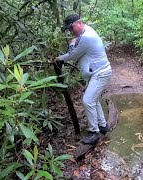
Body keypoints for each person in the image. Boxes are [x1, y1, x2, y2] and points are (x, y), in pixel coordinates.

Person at [55, 14, 112, 144]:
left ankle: (94, 132)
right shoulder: (85, 33)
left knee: (87, 100)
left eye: (71, 28)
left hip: (101, 73)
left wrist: (59, 58)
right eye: (69, 29)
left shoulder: (86, 37)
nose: (70, 31)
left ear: (79, 23)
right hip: (97, 73)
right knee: (94, 99)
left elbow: (73, 55)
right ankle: (102, 125)